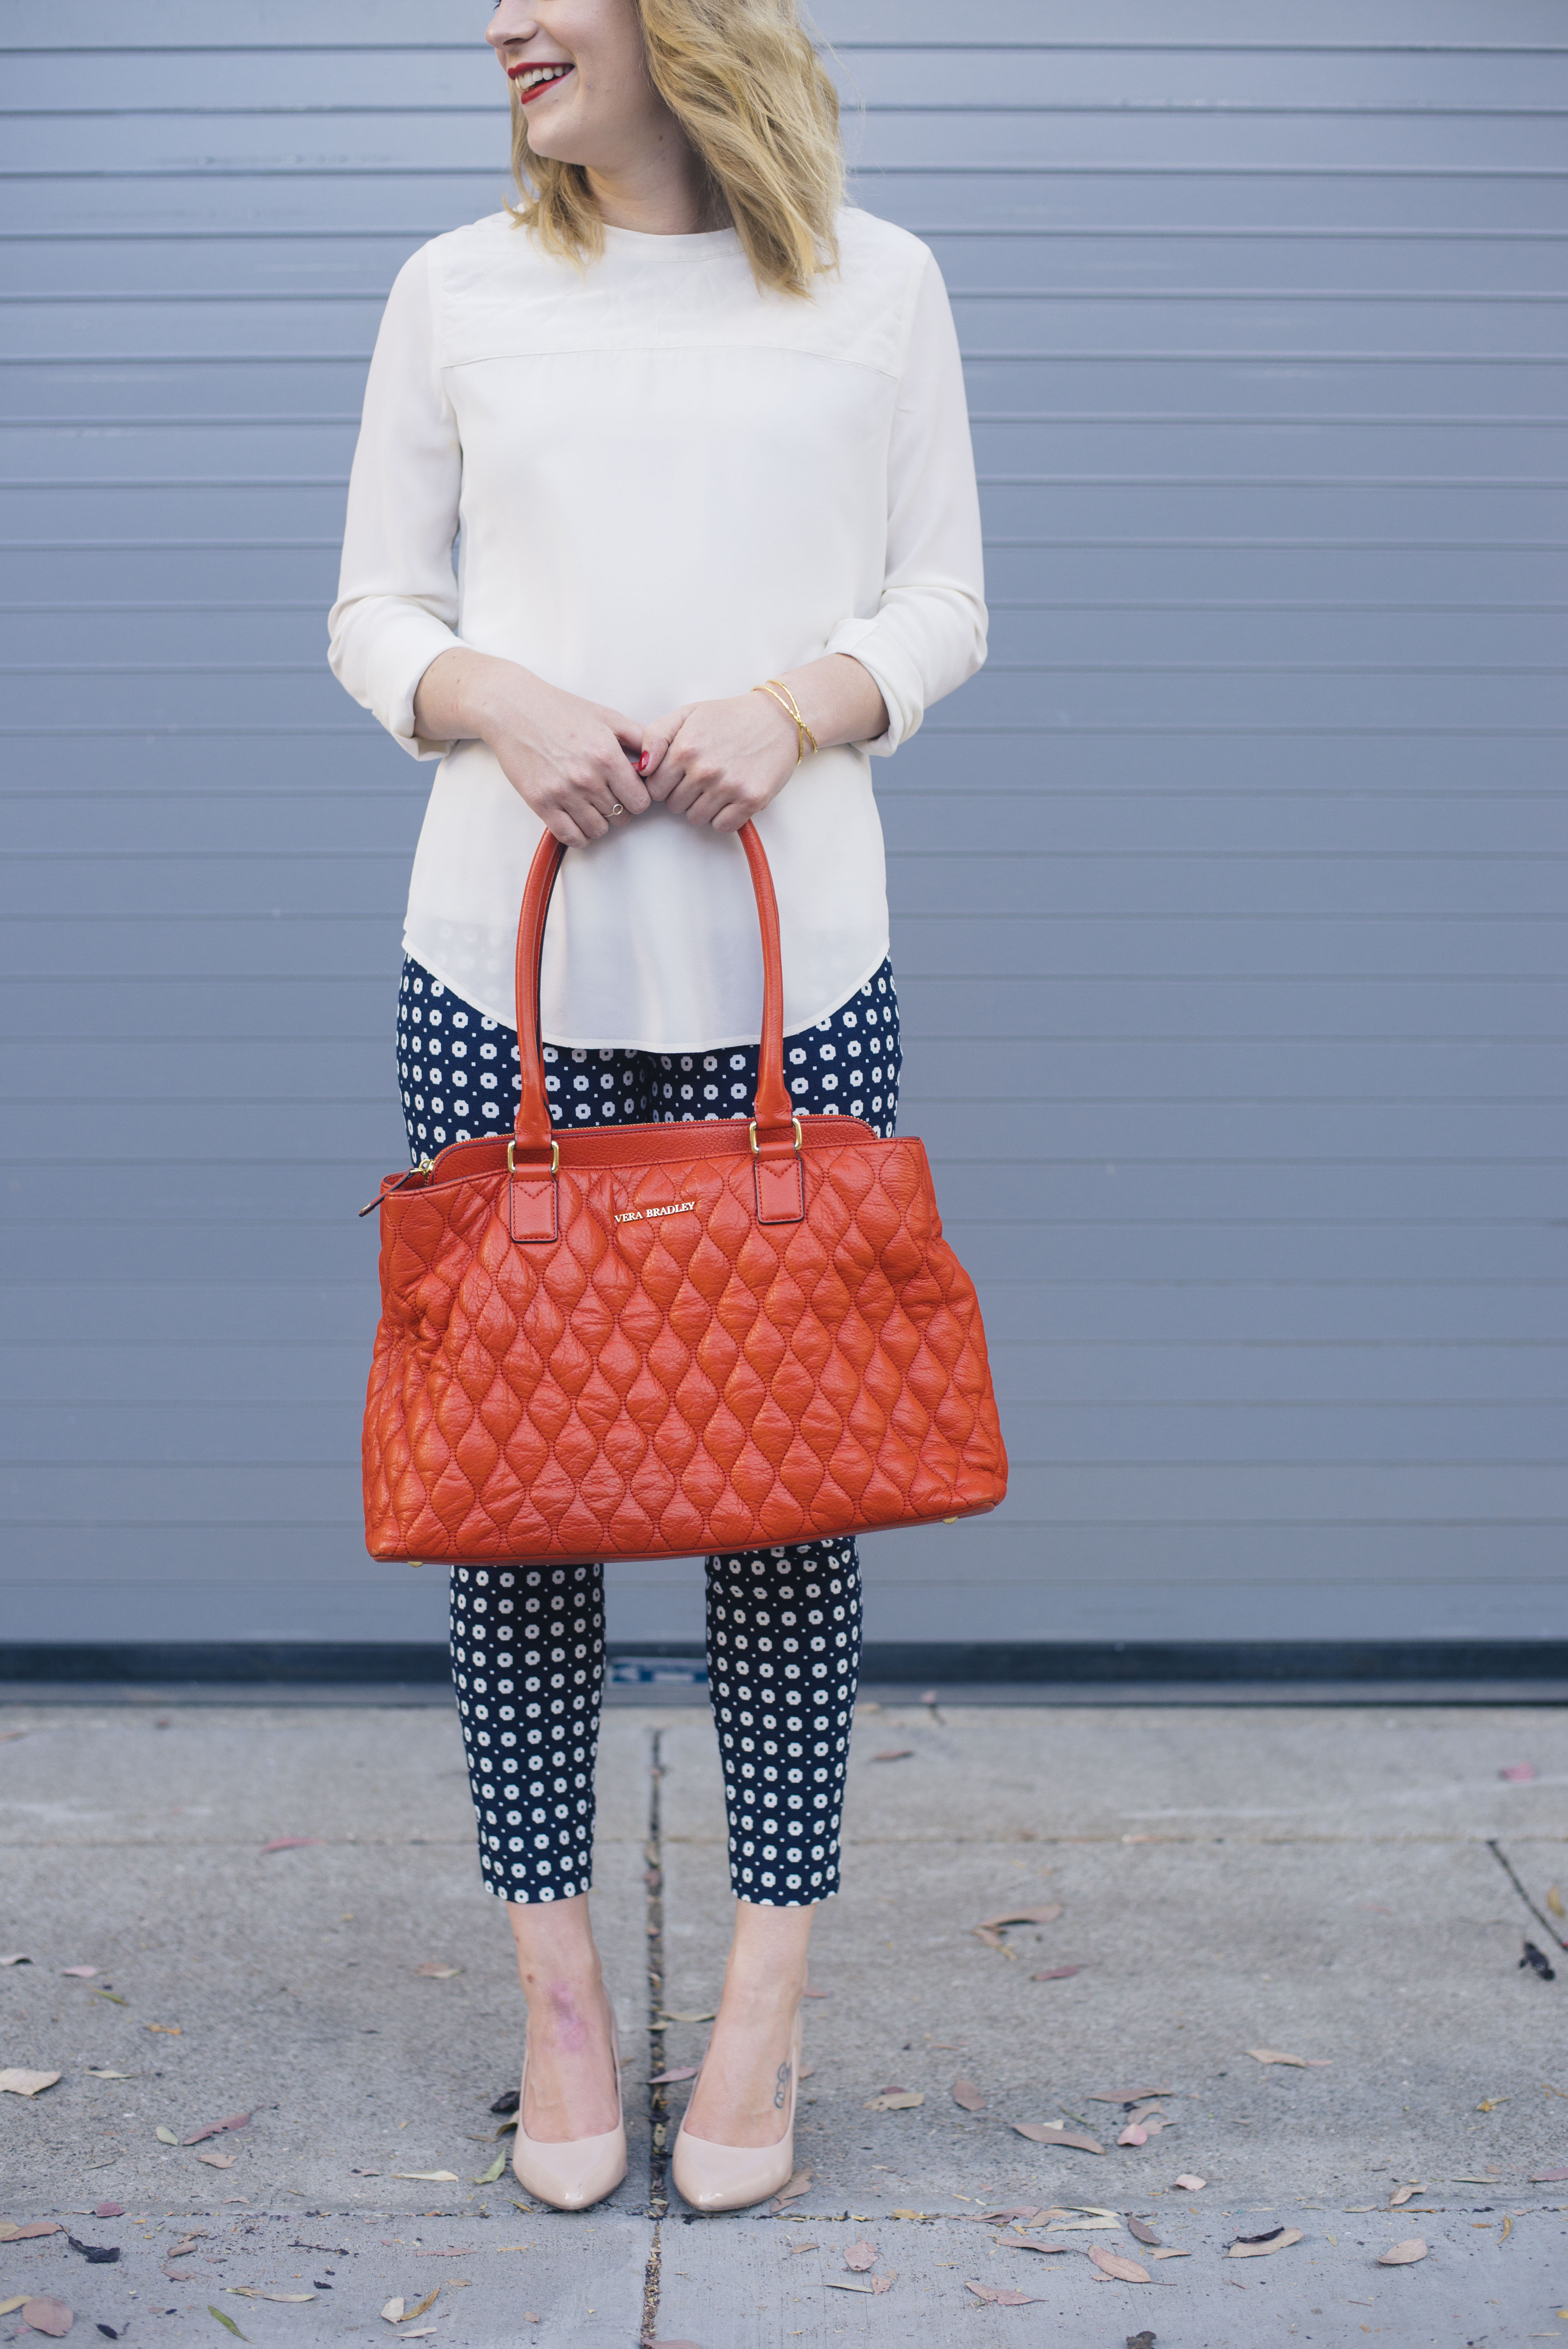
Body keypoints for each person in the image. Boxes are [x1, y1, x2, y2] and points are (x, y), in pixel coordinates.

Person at [328, 0, 984, 2215]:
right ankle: (562, 2007)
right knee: (520, 1518)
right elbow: (371, 608)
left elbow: (945, 604)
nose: (501, 20)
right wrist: (485, 690)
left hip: (801, 990)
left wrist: (802, 702)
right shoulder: (459, 290)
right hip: (491, 991)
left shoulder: (876, 288)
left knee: (785, 1514)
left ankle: (770, 2005)